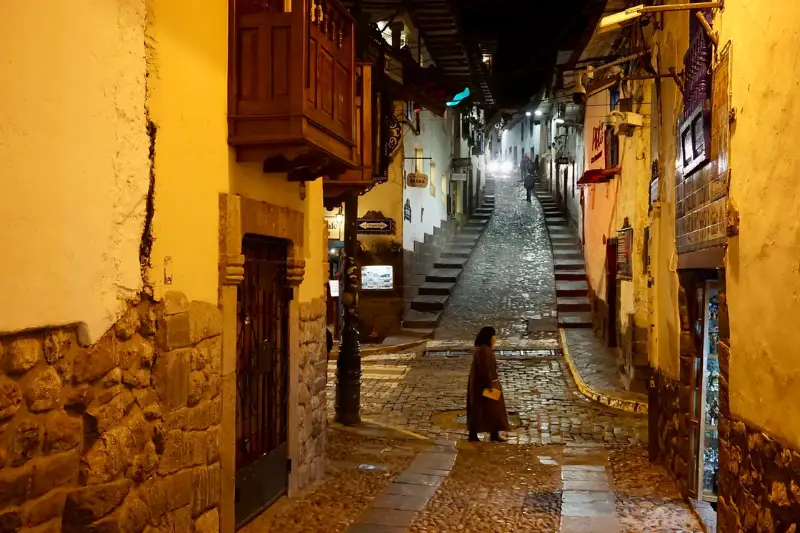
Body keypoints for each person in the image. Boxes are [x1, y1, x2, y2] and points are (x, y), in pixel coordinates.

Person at [466, 326, 510, 442]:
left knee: (483, 409)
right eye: (494, 336)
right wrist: (489, 385)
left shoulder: (483, 349)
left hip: (481, 385)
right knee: (492, 409)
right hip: (484, 386)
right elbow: (485, 370)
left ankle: (485, 433)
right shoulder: (484, 351)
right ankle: (483, 434)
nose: (495, 339)